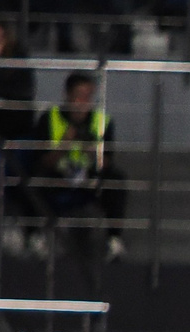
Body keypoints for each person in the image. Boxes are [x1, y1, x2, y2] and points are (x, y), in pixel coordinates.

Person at [24, 71, 127, 264]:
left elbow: (107, 163)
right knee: (32, 180)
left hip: (88, 177)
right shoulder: (49, 118)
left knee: (116, 181)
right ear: (68, 95)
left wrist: (91, 149)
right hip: (57, 175)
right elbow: (41, 161)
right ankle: (34, 237)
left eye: (87, 97)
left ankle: (114, 240)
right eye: (78, 96)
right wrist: (64, 144)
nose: (82, 102)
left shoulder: (102, 121)